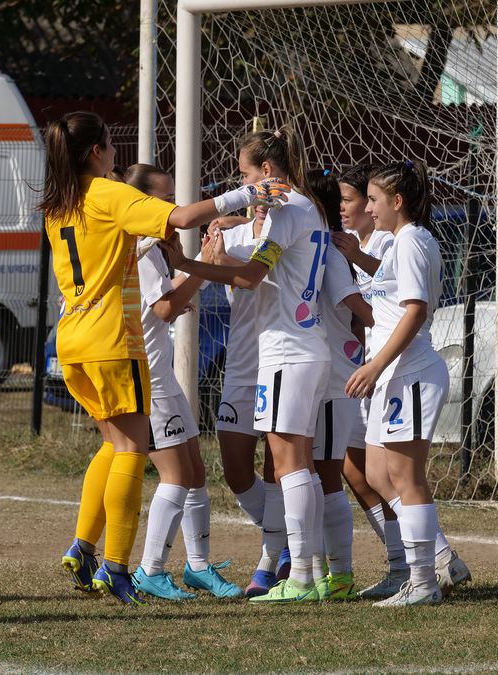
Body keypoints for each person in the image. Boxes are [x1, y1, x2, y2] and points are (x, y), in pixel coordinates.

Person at [42, 112, 286, 605]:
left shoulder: (57, 204)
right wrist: (247, 194)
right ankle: (118, 567)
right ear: (96, 152)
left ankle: (85, 549)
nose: (115, 156)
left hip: (73, 340)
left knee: (113, 447)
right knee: (133, 452)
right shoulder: (107, 193)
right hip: (113, 340)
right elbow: (178, 218)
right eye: (111, 145)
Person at [168, 127, 330, 603]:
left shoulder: (289, 210)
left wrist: (189, 263)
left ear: (267, 173)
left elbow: (251, 275)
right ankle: (308, 568)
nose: (244, 184)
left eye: (245, 175)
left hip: (286, 350)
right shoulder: (305, 210)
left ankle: (299, 571)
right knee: (284, 463)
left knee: (291, 464)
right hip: (294, 349)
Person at [345, 161, 467, 606]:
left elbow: (415, 313)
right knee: (378, 472)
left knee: (405, 476)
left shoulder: (413, 240)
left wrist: (375, 365)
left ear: (397, 202)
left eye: (374, 199)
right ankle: (438, 559)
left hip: (411, 372)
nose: (368, 208)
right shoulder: (397, 244)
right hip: (394, 375)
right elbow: (390, 305)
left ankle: (423, 582)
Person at [120, 164, 241, 600]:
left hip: (162, 375)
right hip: (149, 378)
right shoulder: (142, 244)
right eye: (163, 198)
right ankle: (150, 570)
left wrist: (186, 279)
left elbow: (162, 300)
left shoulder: (152, 246)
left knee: (194, 470)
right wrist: (201, 270)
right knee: (175, 475)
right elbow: (165, 309)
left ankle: (199, 566)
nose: (171, 207)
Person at [331, 165, 409, 598]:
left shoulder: (384, 240)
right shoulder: (356, 242)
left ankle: (431, 558)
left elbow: (389, 287)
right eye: (339, 201)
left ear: (371, 203)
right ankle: (401, 562)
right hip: (359, 370)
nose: (343, 209)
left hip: (388, 370)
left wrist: (352, 262)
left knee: (392, 473)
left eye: (350, 200)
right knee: (354, 468)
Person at [305, 169, 375, 601]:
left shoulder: (331, 252)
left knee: (331, 474)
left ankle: (341, 574)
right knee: (317, 472)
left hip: (335, 378)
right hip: (317, 374)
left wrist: (384, 330)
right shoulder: (312, 247)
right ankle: (310, 569)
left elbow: (360, 311)